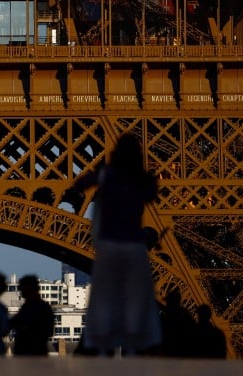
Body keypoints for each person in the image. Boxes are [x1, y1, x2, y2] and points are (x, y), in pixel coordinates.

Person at [75, 133, 161, 355]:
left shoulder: (107, 175)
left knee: (104, 296)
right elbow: (151, 193)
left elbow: (80, 184)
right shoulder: (139, 179)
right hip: (133, 244)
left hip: (108, 244)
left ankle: (102, 345)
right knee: (136, 296)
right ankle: (134, 344)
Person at [10, 275, 54, 356]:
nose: (21, 291)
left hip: (31, 354)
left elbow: (12, 324)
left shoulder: (32, 308)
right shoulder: (41, 307)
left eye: (22, 288)